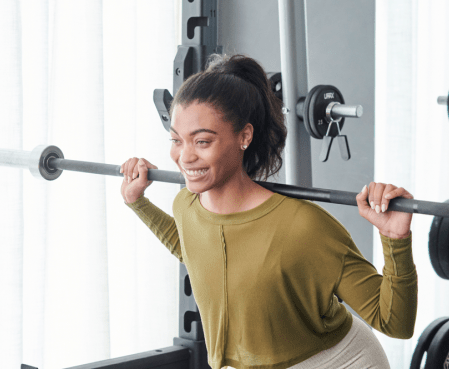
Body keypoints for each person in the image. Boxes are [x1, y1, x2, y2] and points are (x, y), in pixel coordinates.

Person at [120, 54, 416, 369]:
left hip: (339, 362)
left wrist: (394, 238)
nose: (185, 157)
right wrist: (137, 202)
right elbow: (196, 252)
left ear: (244, 136)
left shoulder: (304, 227)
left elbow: (394, 321)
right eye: (177, 140)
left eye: (202, 141)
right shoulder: (186, 206)